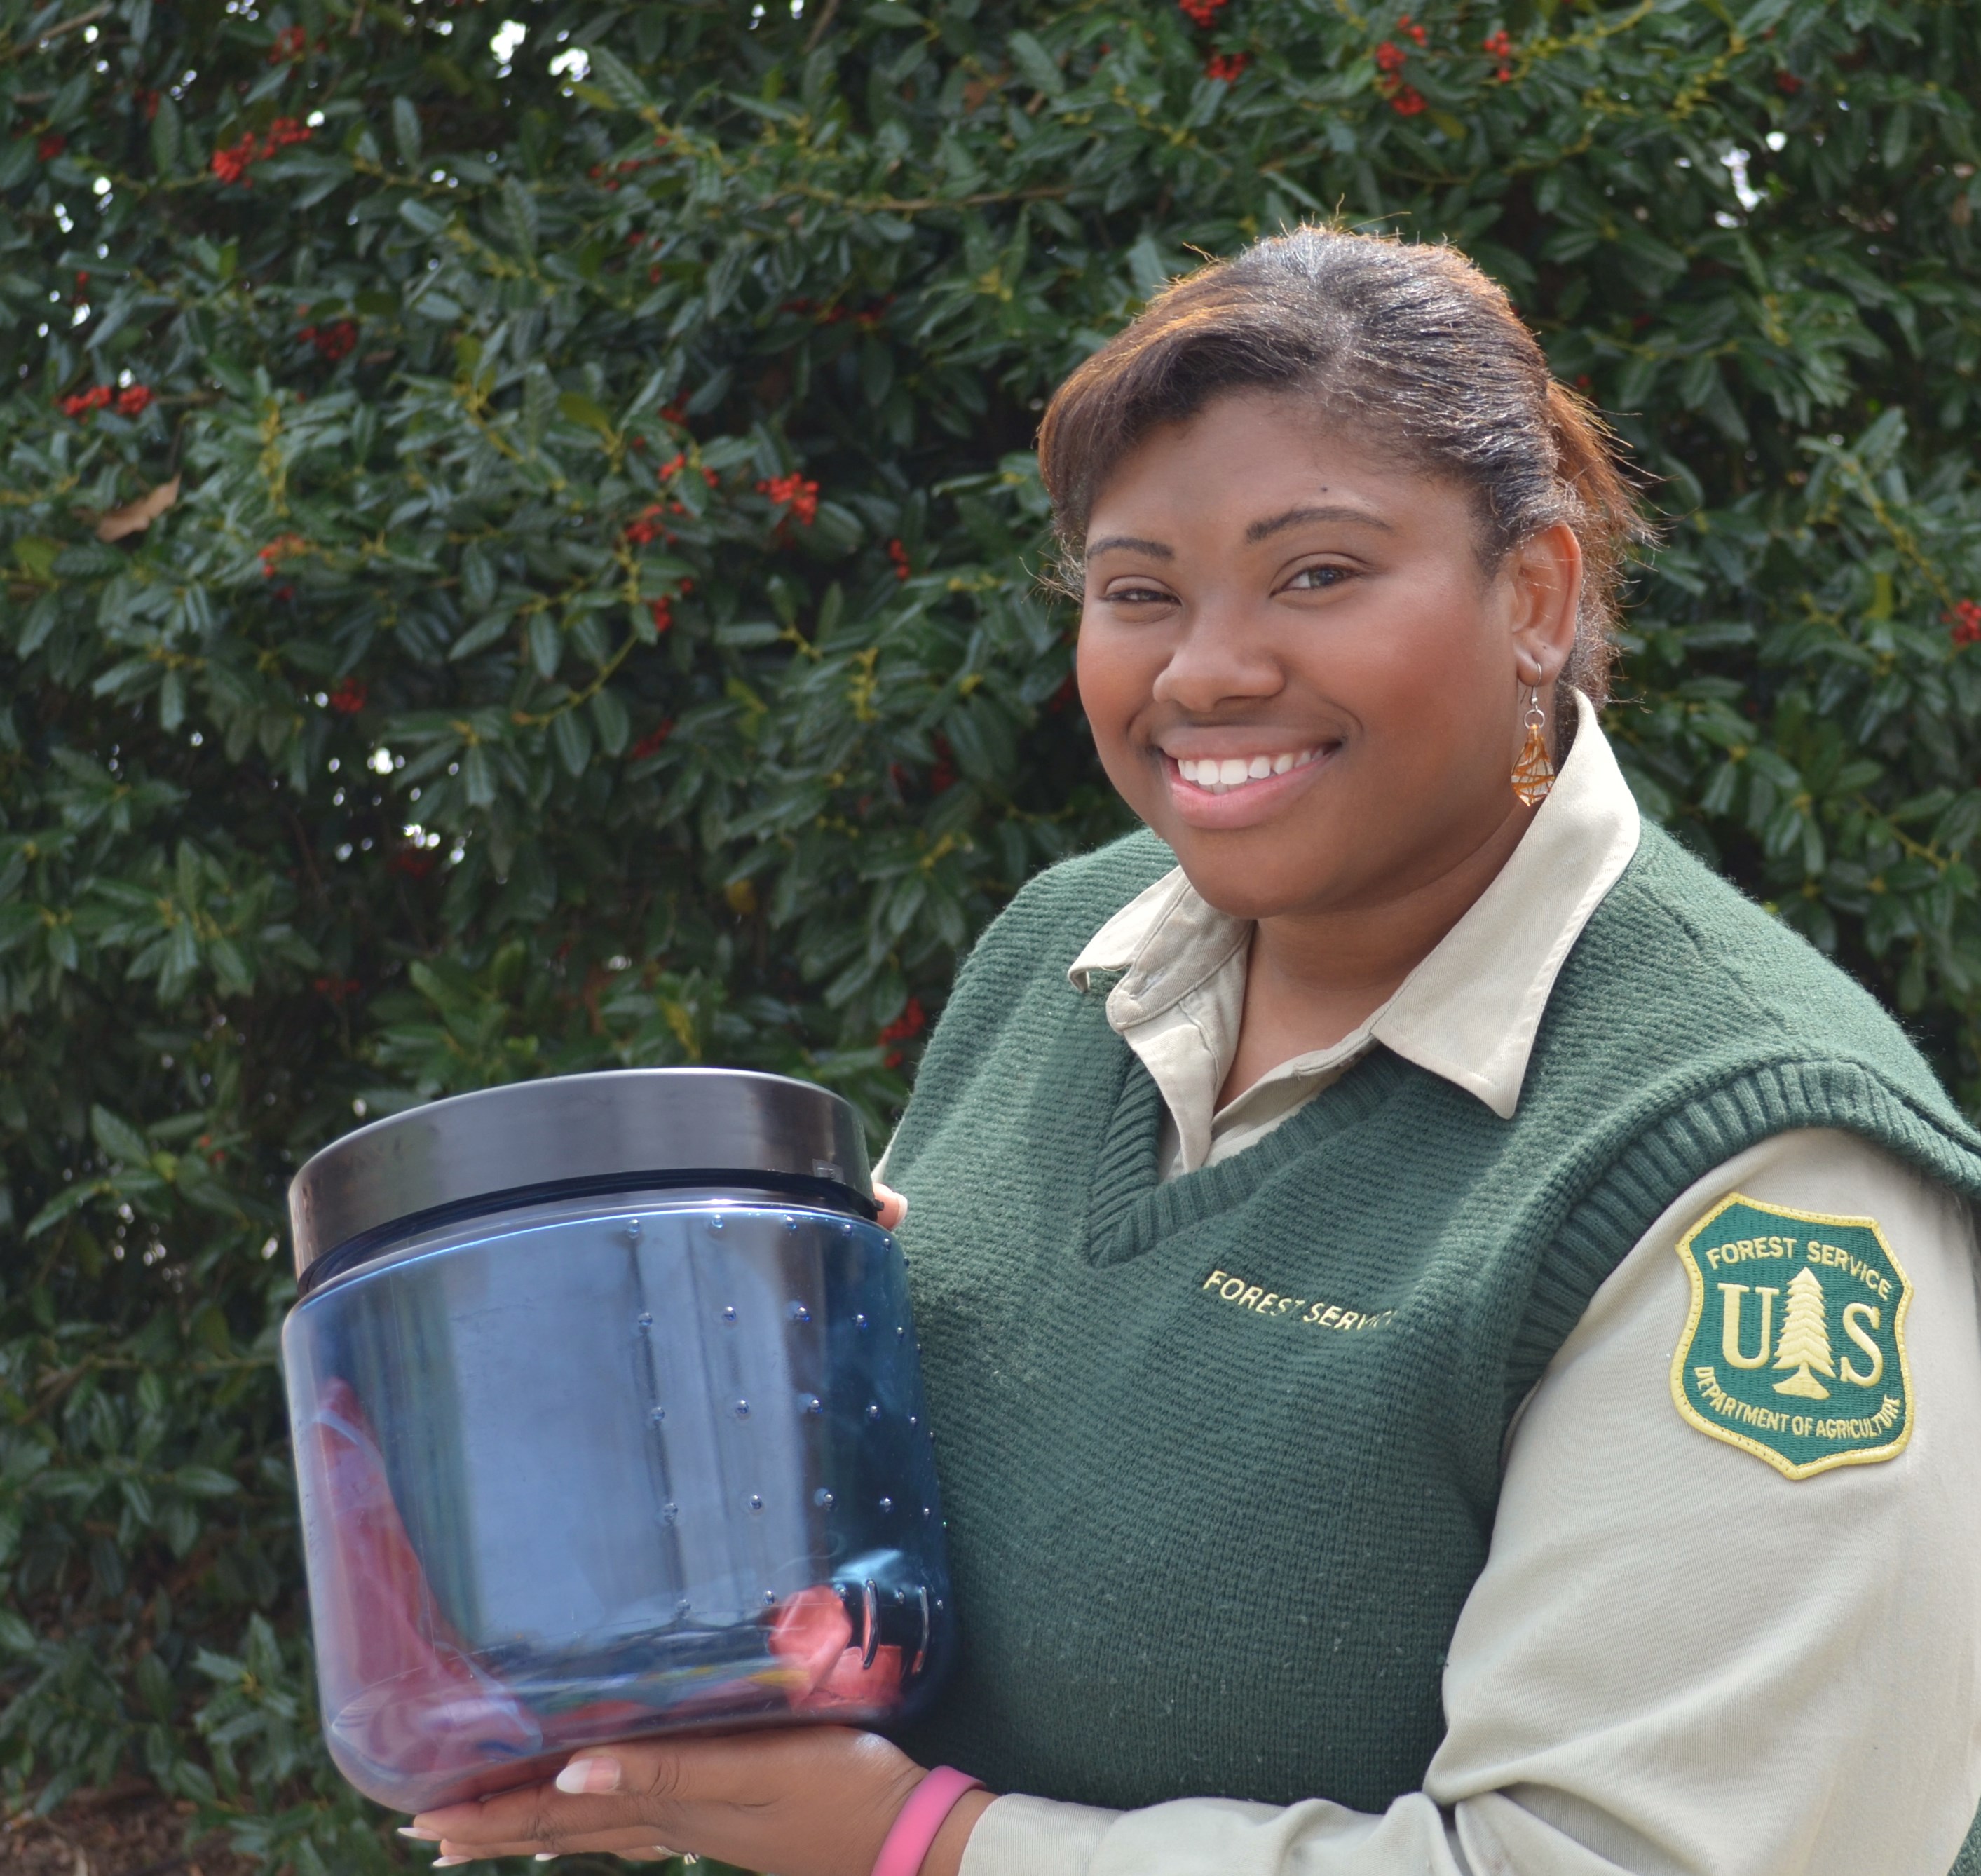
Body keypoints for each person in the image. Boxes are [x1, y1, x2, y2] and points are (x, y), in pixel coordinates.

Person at [407, 228, 1981, 1876]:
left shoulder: (1757, 1173)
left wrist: (929, 1849)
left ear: (1535, 596)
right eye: (1137, 591)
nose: (1207, 670)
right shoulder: (1065, 961)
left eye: (1318, 574)